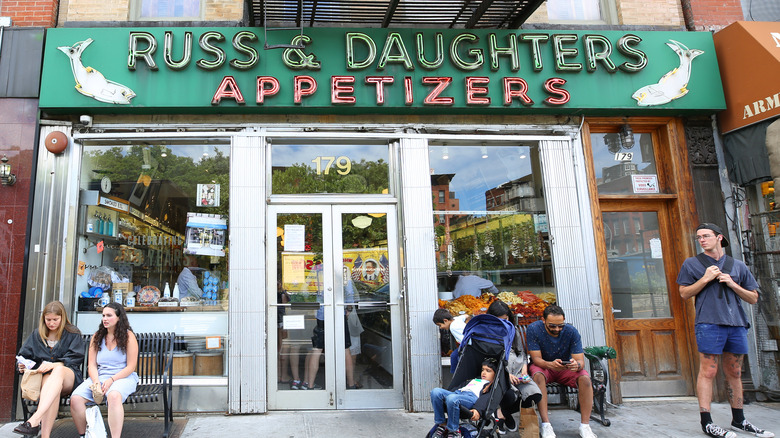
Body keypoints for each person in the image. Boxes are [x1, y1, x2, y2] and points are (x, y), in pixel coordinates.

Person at [677, 223, 774, 438]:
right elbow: (684, 293)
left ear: (719, 237)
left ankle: (739, 420)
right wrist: (705, 279)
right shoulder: (692, 264)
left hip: (736, 324)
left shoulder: (737, 265)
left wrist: (732, 284)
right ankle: (707, 422)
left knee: (735, 372)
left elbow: (753, 297)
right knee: (708, 371)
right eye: (699, 237)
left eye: (706, 236)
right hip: (709, 323)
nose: (701, 240)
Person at [13, 301, 86, 438]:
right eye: (48, 320)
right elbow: (25, 356)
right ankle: (44, 436)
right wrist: (22, 365)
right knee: (51, 385)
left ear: (62, 318)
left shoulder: (72, 333)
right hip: (47, 380)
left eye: (55, 320)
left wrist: (55, 365)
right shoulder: (37, 335)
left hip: (69, 377)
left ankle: (35, 419)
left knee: (57, 371)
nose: (51, 323)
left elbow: (75, 359)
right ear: (43, 319)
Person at [70, 302, 139, 438]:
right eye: (103, 316)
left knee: (113, 395)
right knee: (75, 399)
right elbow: (92, 364)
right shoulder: (98, 336)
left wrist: (111, 380)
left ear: (119, 317)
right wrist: (96, 382)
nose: (105, 319)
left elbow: (131, 367)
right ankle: (85, 435)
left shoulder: (129, 336)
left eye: (109, 315)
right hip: (100, 377)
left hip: (123, 377)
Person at [527, 304, 596, 438]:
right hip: (544, 365)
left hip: (565, 367)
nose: (557, 329)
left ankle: (585, 426)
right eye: (552, 326)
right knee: (538, 376)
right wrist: (550, 365)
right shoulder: (534, 329)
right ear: (543, 320)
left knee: (585, 379)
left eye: (560, 325)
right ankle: (546, 424)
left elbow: (580, 360)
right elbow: (536, 359)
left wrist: (577, 365)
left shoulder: (571, 331)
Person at [486, 300, 542, 434]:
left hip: (518, 372)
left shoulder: (513, 330)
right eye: (499, 321)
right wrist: (506, 375)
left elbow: (521, 353)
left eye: (506, 319)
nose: (503, 324)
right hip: (500, 375)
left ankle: (501, 413)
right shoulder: (487, 334)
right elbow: (488, 361)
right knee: (510, 395)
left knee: (534, 395)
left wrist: (524, 368)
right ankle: (503, 414)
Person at [430, 358, 499, 438]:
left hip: (471, 398)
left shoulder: (490, 386)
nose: (484, 372)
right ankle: (442, 424)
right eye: (483, 370)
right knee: (435, 392)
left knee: (452, 398)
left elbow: (485, 398)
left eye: (488, 371)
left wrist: (478, 410)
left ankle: (454, 430)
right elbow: (457, 389)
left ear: (495, 374)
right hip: (458, 394)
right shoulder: (474, 380)